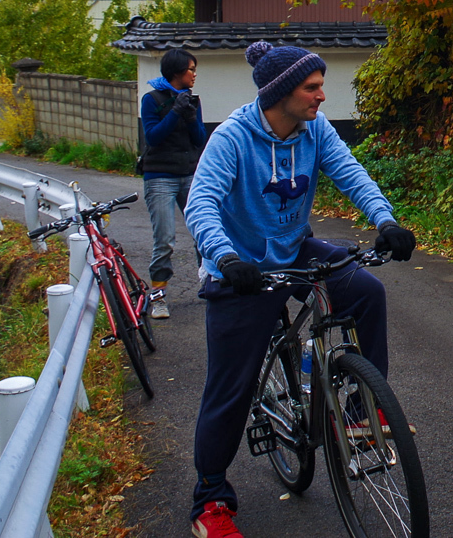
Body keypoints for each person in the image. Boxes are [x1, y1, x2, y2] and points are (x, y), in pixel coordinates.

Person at [185, 41, 416, 538]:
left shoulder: (314, 130)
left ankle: (358, 412)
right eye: (312, 88)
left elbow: (350, 173)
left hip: (293, 249)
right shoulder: (232, 139)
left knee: (366, 291)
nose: (321, 96)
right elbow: (200, 201)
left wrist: (385, 220)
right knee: (231, 389)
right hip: (240, 268)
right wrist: (225, 257)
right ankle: (210, 502)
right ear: (281, 94)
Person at [139, 48, 207, 319]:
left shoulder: (192, 100)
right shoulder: (151, 99)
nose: (194, 74)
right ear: (177, 72)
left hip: (189, 173)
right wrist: (174, 113)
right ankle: (158, 297)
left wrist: (190, 116)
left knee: (204, 230)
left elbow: (200, 139)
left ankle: (209, 284)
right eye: (191, 69)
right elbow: (153, 137)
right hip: (159, 177)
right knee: (165, 239)